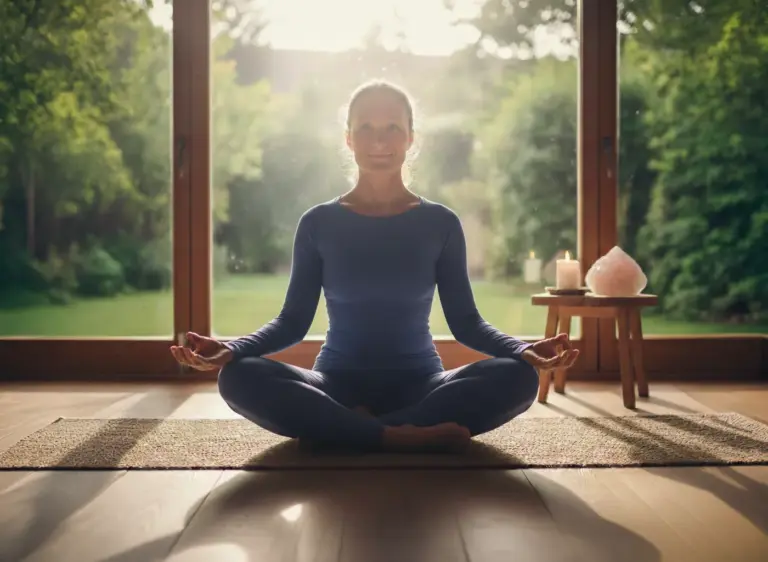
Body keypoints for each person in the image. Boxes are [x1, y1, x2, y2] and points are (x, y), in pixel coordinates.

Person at [170, 80, 579, 452]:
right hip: (334, 384)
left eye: (392, 128)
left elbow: (466, 322)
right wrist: (231, 350)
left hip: (423, 386)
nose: (378, 140)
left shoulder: (441, 223)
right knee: (238, 377)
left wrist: (523, 351)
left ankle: (354, 432)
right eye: (366, 127)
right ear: (348, 138)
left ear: (410, 140)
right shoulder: (317, 223)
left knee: (519, 377)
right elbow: (292, 322)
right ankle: (398, 435)